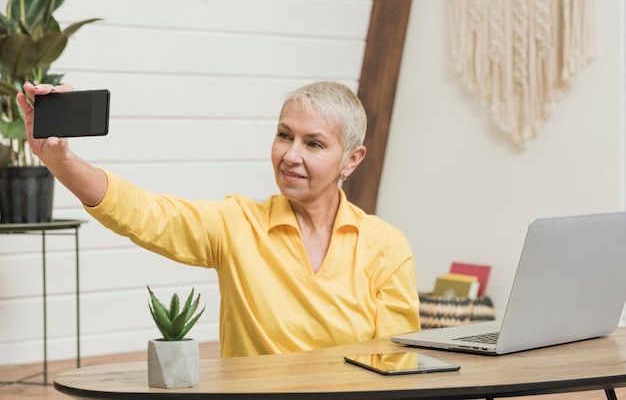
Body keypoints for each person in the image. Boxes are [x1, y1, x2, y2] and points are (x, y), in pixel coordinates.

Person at [17, 80, 421, 358]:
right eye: (284, 135)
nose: (290, 154)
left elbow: (393, 363)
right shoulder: (238, 223)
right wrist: (60, 159)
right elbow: (144, 214)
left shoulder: (386, 246)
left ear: (352, 159)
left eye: (313, 143)